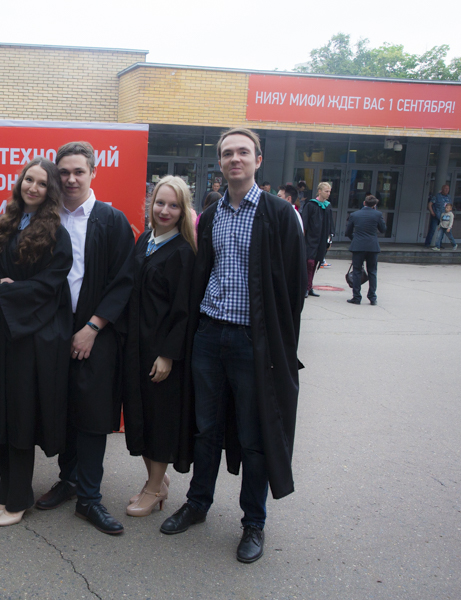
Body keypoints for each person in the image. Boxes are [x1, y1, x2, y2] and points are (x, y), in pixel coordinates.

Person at [161, 128, 306, 564]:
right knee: (206, 428)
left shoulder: (280, 215)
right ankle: (198, 503)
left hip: (252, 343)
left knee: (254, 434)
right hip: (209, 336)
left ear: (258, 160)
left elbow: (294, 290)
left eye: (243, 152)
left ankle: (253, 523)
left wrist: (280, 348)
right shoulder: (211, 215)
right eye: (227, 153)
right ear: (220, 163)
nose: (235, 159)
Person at [0, 158, 73, 527]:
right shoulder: (4, 220)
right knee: (1, 416)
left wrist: (6, 293)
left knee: (20, 418)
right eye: (28, 180)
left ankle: (19, 499)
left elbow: (49, 286)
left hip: (31, 338)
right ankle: (6, 493)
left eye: (41, 183)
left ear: (50, 191)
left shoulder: (56, 233)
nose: (33, 187)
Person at [34, 141, 134, 536]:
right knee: (61, 409)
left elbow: (124, 280)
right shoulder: (45, 218)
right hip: (53, 331)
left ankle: (90, 497)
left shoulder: (111, 220)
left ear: (93, 173)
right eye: (64, 172)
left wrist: (92, 328)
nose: (71, 179)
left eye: (79, 171)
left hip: (97, 331)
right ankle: (69, 479)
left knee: (92, 415)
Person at [121, 176, 196, 518]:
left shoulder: (183, 252)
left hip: (161, 353)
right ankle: (156, 480)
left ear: (183, 210)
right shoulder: (144, 241)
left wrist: (167, 354)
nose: (165, 210)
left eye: (173, 205)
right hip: (135, 347)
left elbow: (183, 310)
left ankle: (154, 489)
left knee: (159, 420)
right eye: (160, 203)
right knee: (140, 416)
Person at [345, 194, 386, 305]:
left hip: (358, 246)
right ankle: (372, 297)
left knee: (357, 271)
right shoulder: (378, 214)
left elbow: (348, 232)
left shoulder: (354, 214)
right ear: (374, 205)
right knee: (372, 271)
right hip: (372, 247)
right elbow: (383, 229)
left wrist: (355, 239)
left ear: (364, 203)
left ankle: (356, 297)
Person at [300, 182, 334, 298]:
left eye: (329, 191)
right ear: (319, 191)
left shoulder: (328, 206)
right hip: (310, 239)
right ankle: (305, 287)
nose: (328, 194)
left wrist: (329, 239)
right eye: (326, 191)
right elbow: (304, 223)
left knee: (315, 263)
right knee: (309, 263)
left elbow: (330, 224)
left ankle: (309, 287)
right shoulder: (310, 205)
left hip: (321, 240)